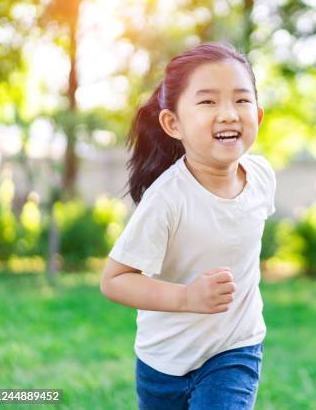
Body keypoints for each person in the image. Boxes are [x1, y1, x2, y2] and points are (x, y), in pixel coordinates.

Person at [100, 42, 276, 410]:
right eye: (208, 102)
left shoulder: (261, 177)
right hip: (164, 361)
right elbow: (114, 280)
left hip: (234, 348)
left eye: (241, 100)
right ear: (172, 123)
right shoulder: (167, 199)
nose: (228, 114)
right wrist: (187, 298)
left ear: (257, 116)